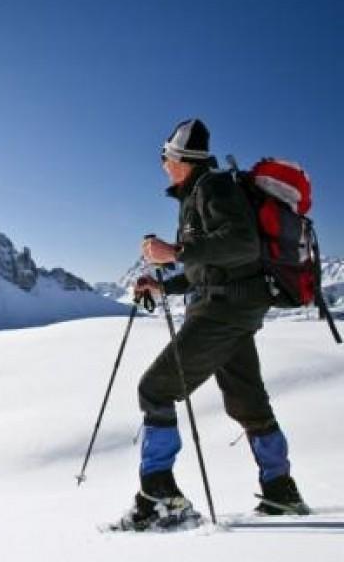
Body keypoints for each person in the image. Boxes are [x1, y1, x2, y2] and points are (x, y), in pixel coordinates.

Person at [120, 118, 310, 531]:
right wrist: (163, 282)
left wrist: (176, 250)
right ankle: (282, 492)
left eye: (164, 157)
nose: (162, 165)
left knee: (155, 389)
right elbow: (209, 265)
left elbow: (241, 244)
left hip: (223, 310)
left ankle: (160, 495)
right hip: (233, 307)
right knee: (246, 401)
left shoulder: (213, 187)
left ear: (180, 159)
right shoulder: (198, 195)